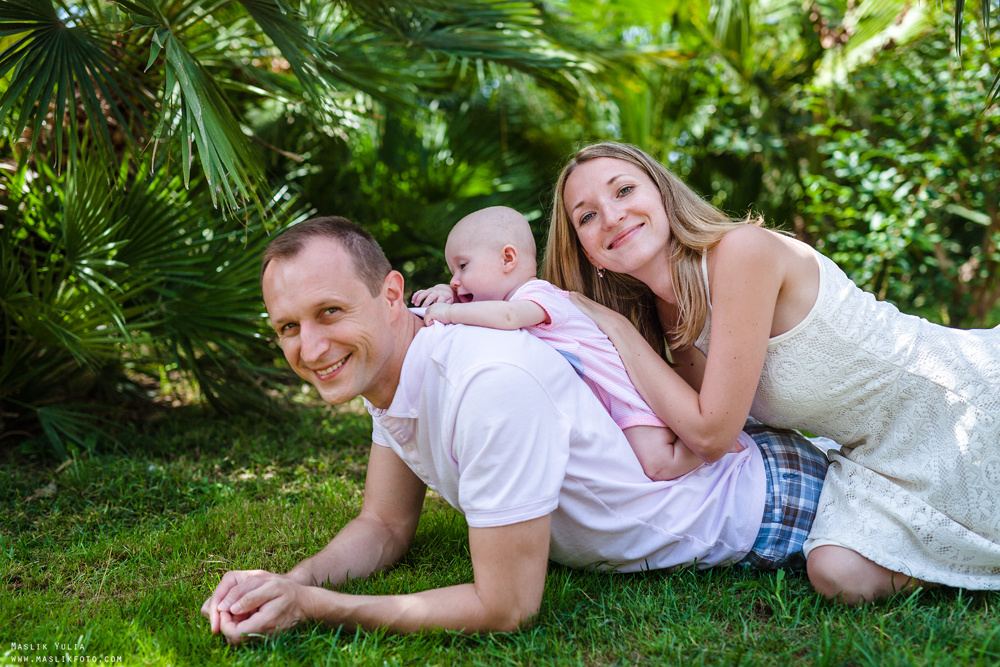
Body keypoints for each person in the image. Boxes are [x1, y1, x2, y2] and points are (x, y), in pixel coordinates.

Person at [201, 216, 828, 644]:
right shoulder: (391, 368)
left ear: (392, 294)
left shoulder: (489, 381)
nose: (310, 347)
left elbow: (506, 606)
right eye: (288, 327)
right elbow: (384, 525)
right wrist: (290, 582)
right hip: (742, 475)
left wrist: (317, 607)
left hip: (769, 507)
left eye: (329, 312)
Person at [544, 141, 1000, 605]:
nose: (612, 215)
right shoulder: (670, 311)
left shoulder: (741, 252)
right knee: (836, 572)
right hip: (876, 456)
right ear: (590, 255)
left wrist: (617, 328)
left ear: (663, 194)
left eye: (623, 190)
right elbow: (703, 423)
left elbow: (709, 433)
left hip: (953, 407)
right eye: (587, 216)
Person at [411, 205, 743, 481]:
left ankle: (721, 446)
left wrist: (450, 313)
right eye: (451, 271)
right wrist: (445, 292)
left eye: (462, 266)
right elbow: (480, 312)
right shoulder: (496, 302)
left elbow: (508, 317)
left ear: (508, 259)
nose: (456, 279)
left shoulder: (538, 295)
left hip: (619, 391)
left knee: (658, 462)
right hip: (597, 401)